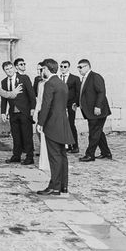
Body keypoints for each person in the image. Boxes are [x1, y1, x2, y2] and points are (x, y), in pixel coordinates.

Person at [36, 58, 74, 195]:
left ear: (47, 69)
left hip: (52, 124)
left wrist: (40, 123)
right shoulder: (61, 83)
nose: (42, 71)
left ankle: (55, 187)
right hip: (62, 122)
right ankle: (63, 185)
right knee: (62, 155)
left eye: (42, 69)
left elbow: (46, 105)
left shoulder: (50, 84)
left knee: (54, 156)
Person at [75, 59, 112, 162]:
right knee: (98, 132)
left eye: (80, 67)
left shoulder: (95, 76)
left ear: (87, 67)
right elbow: (84, 95)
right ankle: (106, 153)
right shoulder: (84, 78)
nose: (79, 69)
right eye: (78, 67)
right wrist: (77, 104)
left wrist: (98, 106)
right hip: (90, 111)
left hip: (98, 111)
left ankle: (90, 154)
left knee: (94, 133)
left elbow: (101, 92)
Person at [0, 61, 36, 165]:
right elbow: (4, 98)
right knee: (15, 135)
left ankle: (30, 157)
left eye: (11, 68)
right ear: (4, 71)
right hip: (13, 112)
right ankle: (16, 155)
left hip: (24, 111)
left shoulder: (24, 78)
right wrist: (3, 112)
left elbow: (31, 94)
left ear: (14, 68)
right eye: (7, 69)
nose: (9, 70)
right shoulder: (3, 82)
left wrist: (32, 108)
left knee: (27, 135)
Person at [59, 60, 81, 154]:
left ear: (68, 67)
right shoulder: (57, 78)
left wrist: (76, 103)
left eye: (65, 66)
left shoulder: (75, 78)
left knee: (71, 125)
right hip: (60, 105)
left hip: (71, 104)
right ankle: (66, 145)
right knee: (61, 125)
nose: (63, 68)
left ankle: (75, 146)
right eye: (61, 66)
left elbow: (78, 92)